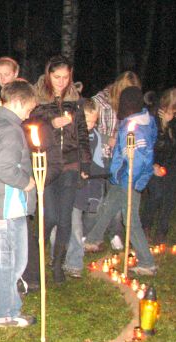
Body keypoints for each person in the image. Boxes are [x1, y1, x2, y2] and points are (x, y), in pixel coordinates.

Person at [0, 80, 37, 328]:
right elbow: (3, 168)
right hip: (8, 202)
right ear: (19, 102)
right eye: (29, 109)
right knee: (12, 259)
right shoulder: (11, 129)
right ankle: (7, 313)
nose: (29, 114)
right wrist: (26, 183)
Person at [84, 86, 157, 275]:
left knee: (131, 221)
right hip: (121, 178)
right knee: (109, 206)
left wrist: (128, 178)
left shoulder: (135, 128)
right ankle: (92, 239)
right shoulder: (141, 121)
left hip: (130, 180)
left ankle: (147, 262)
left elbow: (138, 159)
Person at [29, 56, 91, 283]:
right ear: (48, 75)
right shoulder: (37, 99)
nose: (61, 82)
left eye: (66, 77)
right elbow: (29, 127)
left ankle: (57, 265)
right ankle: (35, 264)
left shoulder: (76, 101)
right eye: (57, 77)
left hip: (71, 164)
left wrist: (85, 164)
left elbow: (83, 133)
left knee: (65, 219)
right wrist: (50, 124)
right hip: (47, 163)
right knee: (49, 217)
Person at [92, 71, 142, 251]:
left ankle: (114, 233)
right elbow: (88, 129)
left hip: (120, 159)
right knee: (100, 199)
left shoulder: (131, 105)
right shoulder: (100, 101)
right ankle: (92, 235)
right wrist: (108, 139)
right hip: (101, 156)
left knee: (117, 198)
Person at [62, 99, 105, 277]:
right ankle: (58, 256)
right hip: (65, 186)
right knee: (61, 225)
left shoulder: (95, 137)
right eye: (87, 121)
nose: (91, 125)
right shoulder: (67, 135)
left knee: (76, 225)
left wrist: (95, 191)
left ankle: (74, 263)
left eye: (94, 121)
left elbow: (98, 164)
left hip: (81, 189)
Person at [141, 88, 176, 245]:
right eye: (169, 106)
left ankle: (162, 231)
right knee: (156, 194)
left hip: (173, 162)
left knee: (168, 198)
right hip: (155, 161)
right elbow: (148, 143)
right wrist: (152, 164)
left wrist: (171, 123)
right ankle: (146, 226)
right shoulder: (153, 116)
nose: (171, 111)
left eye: (175, 108)